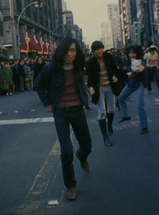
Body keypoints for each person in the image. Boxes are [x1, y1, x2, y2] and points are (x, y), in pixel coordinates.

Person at [34, 38, 92, 201]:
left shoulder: (79, 65)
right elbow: (37, 84)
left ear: (77, 52)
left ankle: (82, 156)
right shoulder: (51, 68)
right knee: (66, 151)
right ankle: (70, 186)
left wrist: (88, 91)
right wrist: (48, 103)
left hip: (78, 110)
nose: (69, 54)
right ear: (60, 51)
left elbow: (82, 82)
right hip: (60, 112)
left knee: (87, 145)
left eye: (73, 50)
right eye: (67, 50)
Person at [86, 41, 119, 146]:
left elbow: (114, 69)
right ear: (93, 51)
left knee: (112, 108)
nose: (99, 51)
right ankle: (105, 136)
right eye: (97, 49)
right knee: (102, 112)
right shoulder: (90, 62)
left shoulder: (108, 57)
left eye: (101, 48)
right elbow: (90, 78)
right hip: (99, 88)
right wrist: (91, 87)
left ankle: (109, 125)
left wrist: (114, 75)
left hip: (110, 86)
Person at [117, 45, 149, 134]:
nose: (132, 55)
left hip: (140, 84)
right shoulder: (129, 61)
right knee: (120, 98)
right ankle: (126, 115)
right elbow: (126, 67)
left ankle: (144, 126)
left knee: (140, 105)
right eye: (130, 53)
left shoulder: (142, 60)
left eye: (133, 53)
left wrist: (137, 69)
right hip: (132, 82)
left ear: (138, 53)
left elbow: (141, 68)